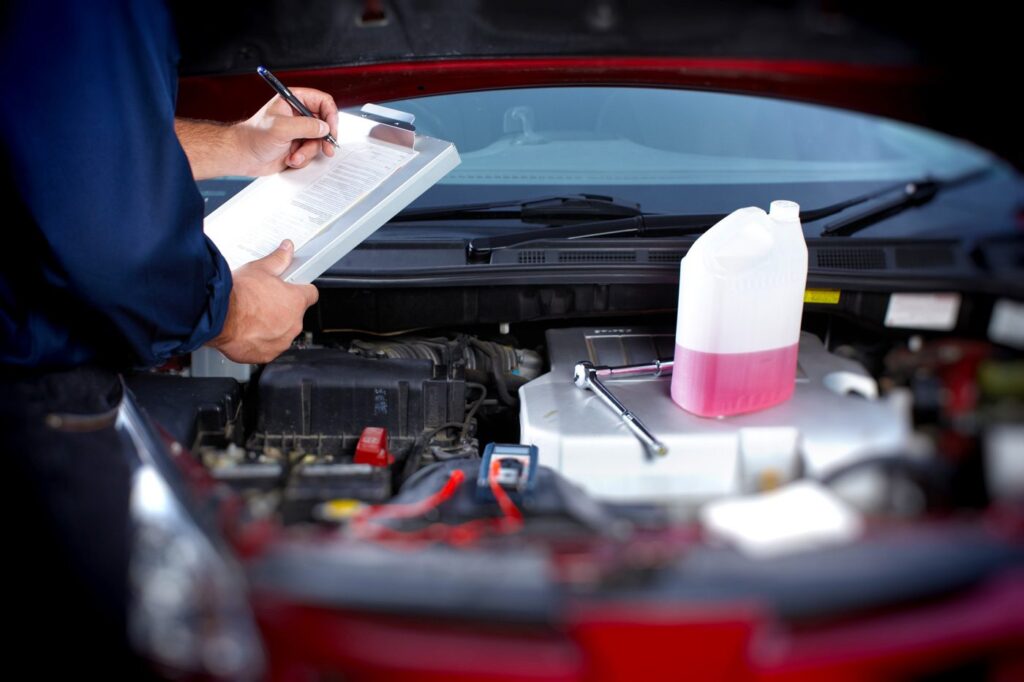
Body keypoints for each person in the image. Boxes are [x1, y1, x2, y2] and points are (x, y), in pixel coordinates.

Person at [0, 0, 338, 673]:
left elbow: (51, 137)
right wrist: (231, 313)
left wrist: (242, 145)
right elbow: (113, 246)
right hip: (29, 402)